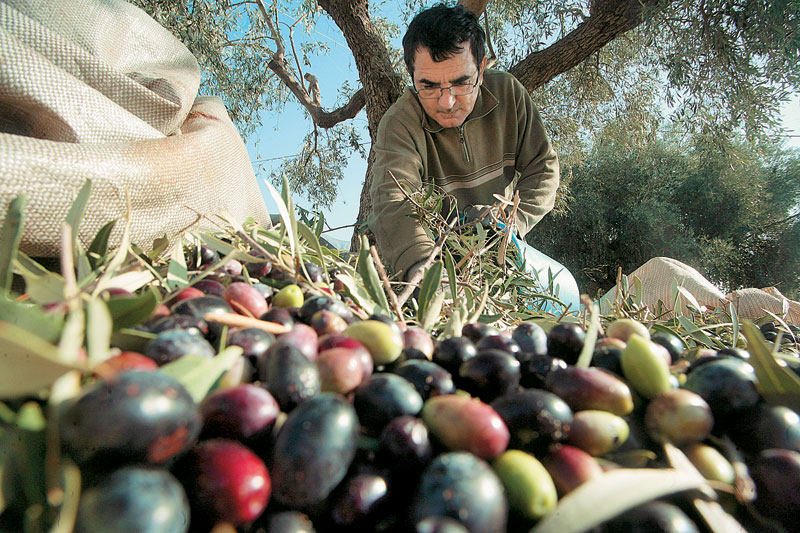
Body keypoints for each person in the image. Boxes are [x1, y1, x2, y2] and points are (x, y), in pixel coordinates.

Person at [367, 3, 580, 310]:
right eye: (428, 86)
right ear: (411, 76)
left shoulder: (508, 93)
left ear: (481, 69)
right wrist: (422, 266)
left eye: (461, 82)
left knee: (562, 305)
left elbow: (543, 166)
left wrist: (509, 225)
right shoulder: (399, 122)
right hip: (435, 262)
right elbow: (392, 199)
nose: (447, 101)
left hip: (505, 254)